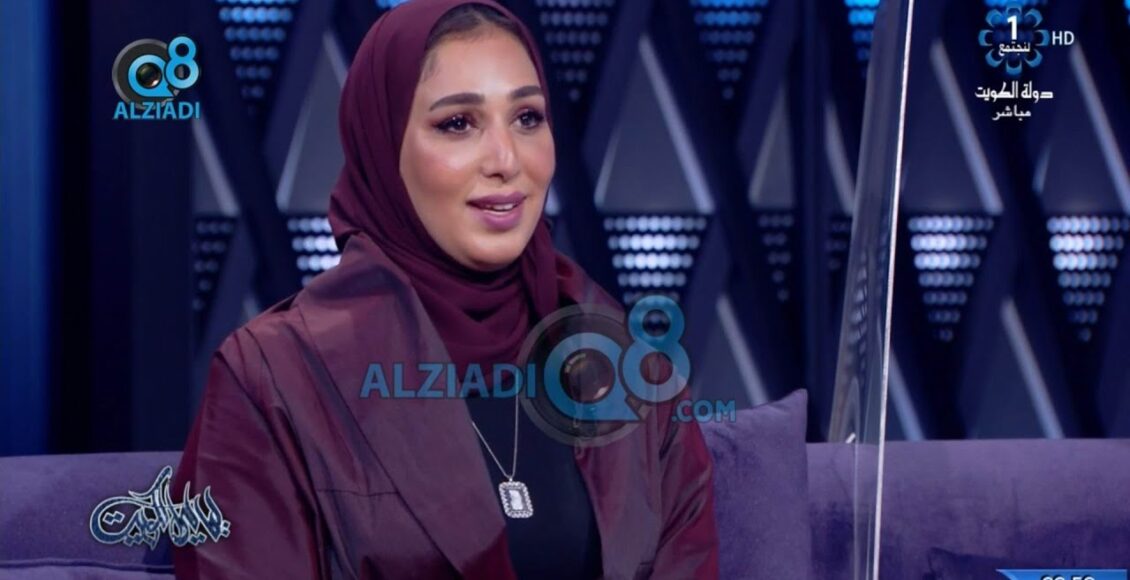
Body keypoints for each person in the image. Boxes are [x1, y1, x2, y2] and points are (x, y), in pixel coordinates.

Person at [172, 1, 719, 578]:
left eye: (527, 117)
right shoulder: (274, 380)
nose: (506, 159)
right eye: (458, 123)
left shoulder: (633, 372)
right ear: (383, 148)